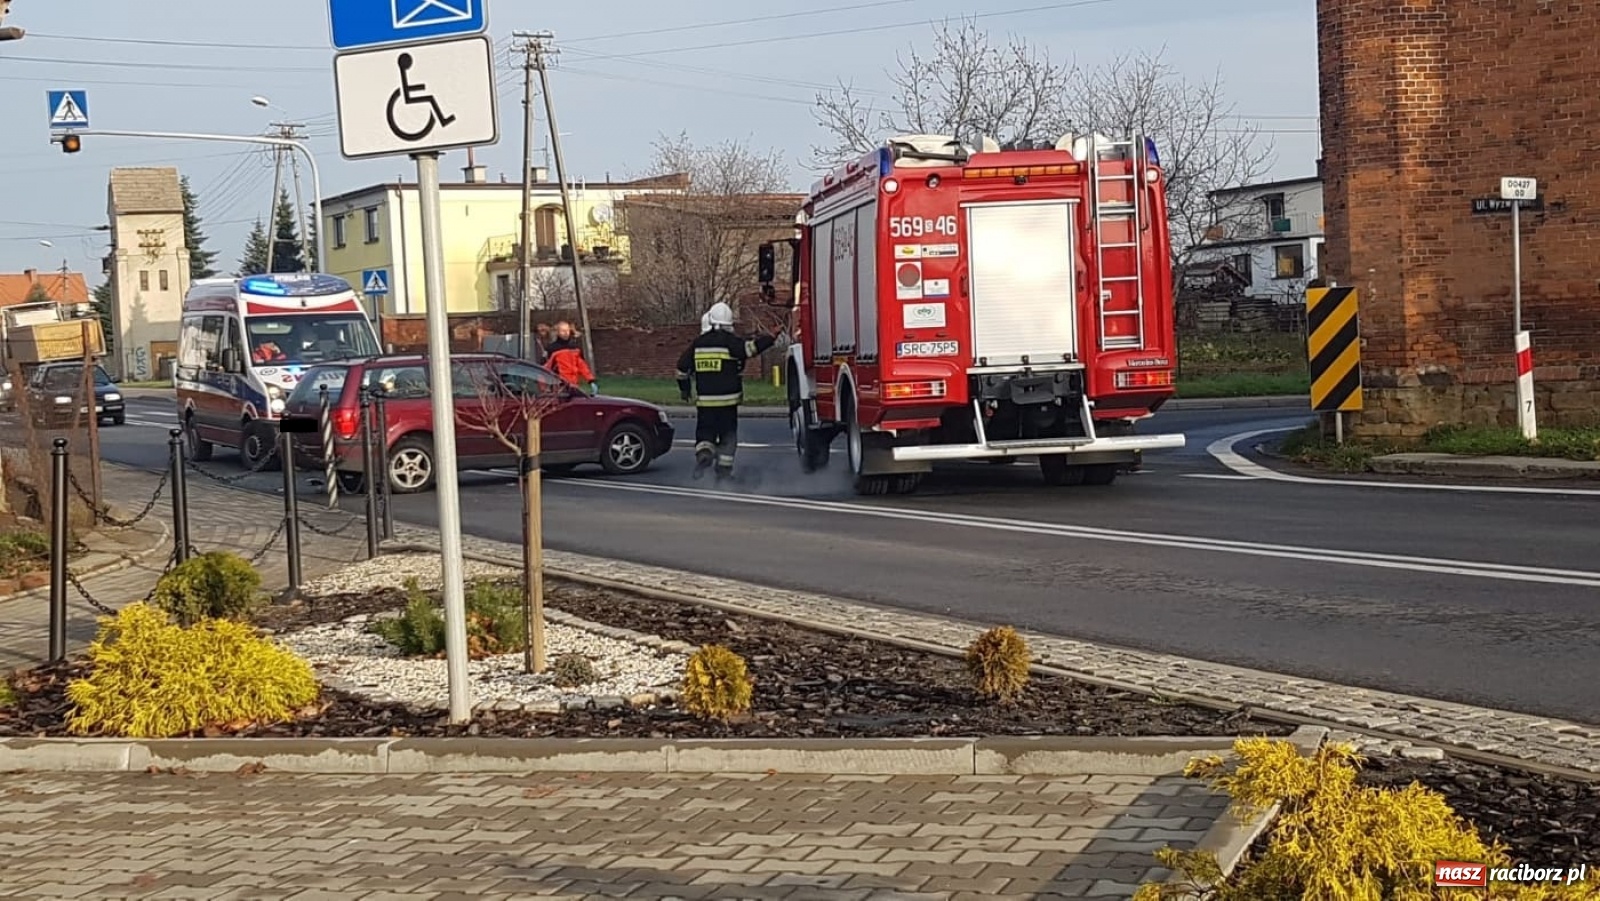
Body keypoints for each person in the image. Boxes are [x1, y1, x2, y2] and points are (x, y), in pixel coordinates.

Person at [675, 302, 778, 482]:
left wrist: (685, 390)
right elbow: (750, 350)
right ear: (728, 322)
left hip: (705, 402)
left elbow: (681, 369)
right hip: (728, 403)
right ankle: (723, 474)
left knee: (705, 432)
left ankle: (704, 453)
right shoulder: (731, 342)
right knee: (727, 437)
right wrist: (769, 338)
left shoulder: (698, 344)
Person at [545, 320, 597, 395]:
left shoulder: (575, 348)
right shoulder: (552, 349)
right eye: (563, 331)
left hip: (574, 384)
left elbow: (582, 366)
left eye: (567, 330)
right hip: (559, 385)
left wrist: (590, 380)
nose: (566, 333)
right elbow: (546, 368)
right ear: (558, 332)